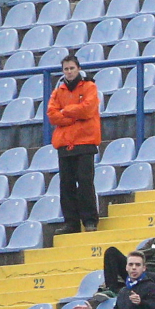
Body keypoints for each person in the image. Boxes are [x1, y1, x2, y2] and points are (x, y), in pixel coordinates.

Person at [47, 53, 100, 233]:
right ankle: (71, 222)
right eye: (66, 69)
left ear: (78, 69)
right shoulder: (58, 91)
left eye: (71, 68)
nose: (69, 72)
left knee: (85, 182)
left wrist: (66, 111)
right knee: (66, 184)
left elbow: (88, 109)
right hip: (65, 143)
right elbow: (52, 115)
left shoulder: (89, 86)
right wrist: (73, 116)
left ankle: (90, 220)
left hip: (85, 142)